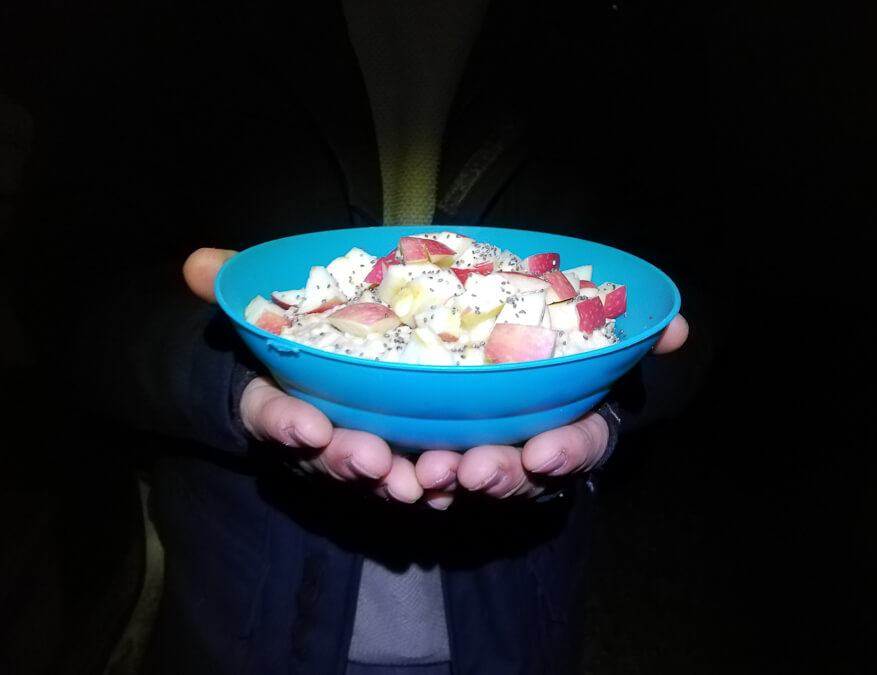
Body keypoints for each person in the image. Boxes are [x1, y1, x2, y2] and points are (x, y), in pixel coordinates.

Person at [4, 1, 705, 673]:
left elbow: (693, 292)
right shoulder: (164, 25)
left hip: (523, 612)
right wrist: (232, 375)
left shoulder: (622, 28)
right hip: (242, 601)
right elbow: (69, 284)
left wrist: (611, 410)